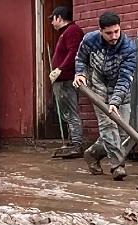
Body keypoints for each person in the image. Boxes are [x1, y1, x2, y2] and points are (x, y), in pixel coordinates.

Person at [74, 11, 137, 180]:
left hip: (119, 88)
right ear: (100, 30)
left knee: (122, 132)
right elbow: (81, 59)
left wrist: (116, 101)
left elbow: (125, 78)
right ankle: (117, 165)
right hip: (98, 85)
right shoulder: (90, 40)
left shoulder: (128, 48)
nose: (114, 36)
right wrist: (80, 74)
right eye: (109, 33)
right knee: (108, 126)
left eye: (116, 31)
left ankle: (93, 154)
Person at [48, 6, 84, 158]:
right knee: (66, 112)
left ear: (59, 18)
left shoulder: (72, 31)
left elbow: (74, 52)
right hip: (62, 79)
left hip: (66, 79)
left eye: (53, 19)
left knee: (70, 112)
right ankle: (72, 142)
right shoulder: (66, 33)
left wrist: (60, 69)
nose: (52, 23)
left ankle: (76, 144)